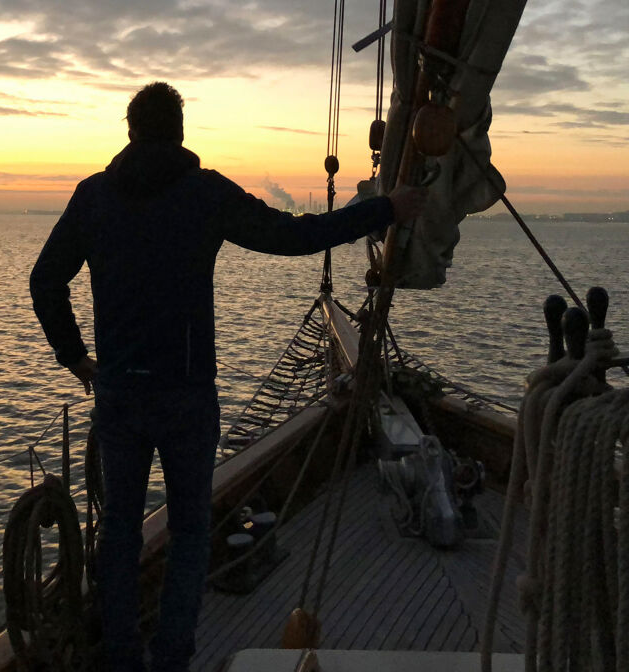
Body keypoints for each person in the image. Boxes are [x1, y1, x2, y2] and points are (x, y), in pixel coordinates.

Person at [29, 81, 426, 671]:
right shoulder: (203, 193)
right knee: (190, 532)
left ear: (130, 132)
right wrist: (384, 208)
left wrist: (75, 357)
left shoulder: (93, 196)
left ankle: (121, 659)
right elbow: (293, 236)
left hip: (120, 393)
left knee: (119, 533)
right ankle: (172, 659)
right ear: (179, 133)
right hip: (186, 395)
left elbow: (45, 282)